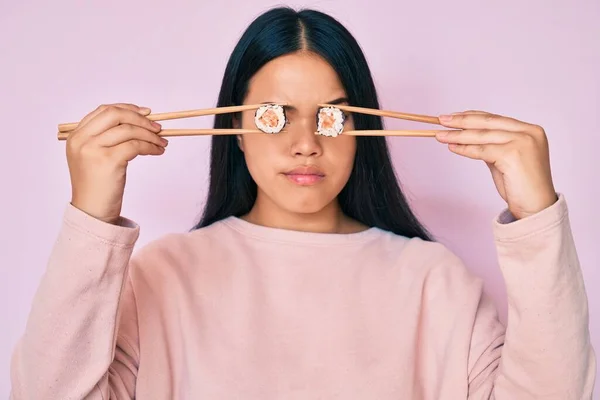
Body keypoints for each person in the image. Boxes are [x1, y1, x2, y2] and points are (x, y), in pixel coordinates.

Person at [9, 6, 595, 400]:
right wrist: (91, 218)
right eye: (274, 115)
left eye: (335, 116)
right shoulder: (163, 278)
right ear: (235, 127)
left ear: (366, 127)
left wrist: (537, 218)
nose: (306, 144)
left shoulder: (433, 282)